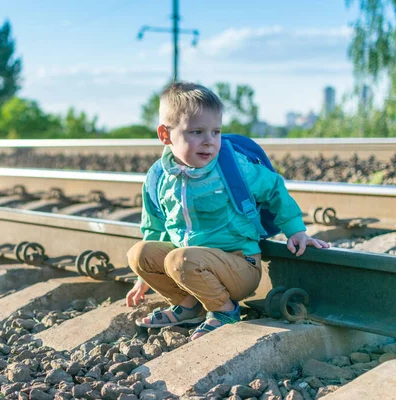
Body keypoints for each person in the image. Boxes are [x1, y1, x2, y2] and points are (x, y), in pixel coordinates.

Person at [125, 82, 329, 340]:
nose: (209, 142)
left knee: (181, 260)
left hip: (239, 264)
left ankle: (224, 310)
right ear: (165, 136)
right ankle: (190, 305)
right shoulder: (158, 177)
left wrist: (296, 230)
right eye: (197, 132)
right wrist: (144, 277)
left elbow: (274, 187)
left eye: (216, 132)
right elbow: (154, 228)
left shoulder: (233, 168)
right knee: (139, 254)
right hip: (189, 265)